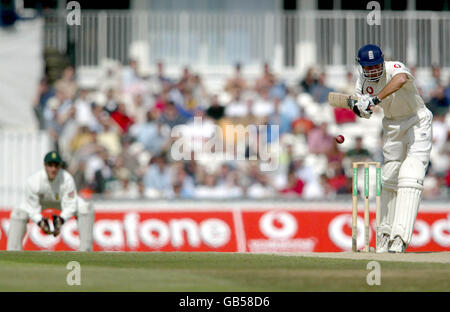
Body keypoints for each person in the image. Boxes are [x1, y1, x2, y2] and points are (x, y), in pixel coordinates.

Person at [350, 44, 433, 253]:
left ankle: (400, 237)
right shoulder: (362, 81)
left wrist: (375, 99)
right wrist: (360, 108)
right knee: (389, 175)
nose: (372, 70)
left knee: (410, 173)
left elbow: (401, 80)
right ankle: (384, 235)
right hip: (392, 125)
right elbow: (362, 108)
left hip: (417, 121)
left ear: (382, 61)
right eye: (367, 67)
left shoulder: (395, 67)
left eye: (375, 65)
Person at [7, 151, 95, 251]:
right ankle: (13, 251)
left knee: (86, 208)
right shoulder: (34, 181)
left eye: (56, 165)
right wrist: (40, 221)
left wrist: (61, 219)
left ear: (60, 166)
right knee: (18, 213)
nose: (53, 169)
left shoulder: (67, 179)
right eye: (50, 165)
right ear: (45, 165)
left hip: (62, 202)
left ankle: (86, 250)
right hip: (41, 203)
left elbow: (70, 204)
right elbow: (32, 207)